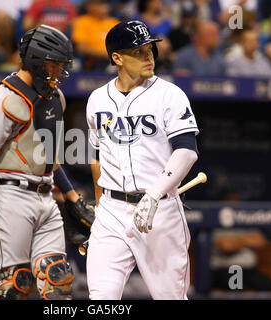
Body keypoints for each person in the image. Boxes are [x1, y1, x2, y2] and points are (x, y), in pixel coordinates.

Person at [0, 24, 84, 300]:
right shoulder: (2, 101)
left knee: (58, 279)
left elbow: (51, 157)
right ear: (36, 61)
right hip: (8, 197)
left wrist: (73, 198)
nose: (58, 72)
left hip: (46, 197)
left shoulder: (55, 99)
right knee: (15, 286)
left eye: (62, 65)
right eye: (53, 65)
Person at [85, 20, 199, 300]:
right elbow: (96, 156)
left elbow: (186, 151)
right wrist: (100, 206)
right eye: (139, 52)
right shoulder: (97, 99)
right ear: (117, 58)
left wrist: (154, 194)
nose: (149, 57)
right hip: (111, 212)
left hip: (160, 211)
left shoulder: (170, 94)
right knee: (101, 298)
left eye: (150, 49)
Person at [71, 0, 119, 71]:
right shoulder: (82, 21)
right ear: (90, 6)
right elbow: (81, 48)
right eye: (99, 4)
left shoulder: (114, 23)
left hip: (113, 61)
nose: (104, 7)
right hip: (91, 62)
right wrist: (106, 54)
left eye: (105, 4)